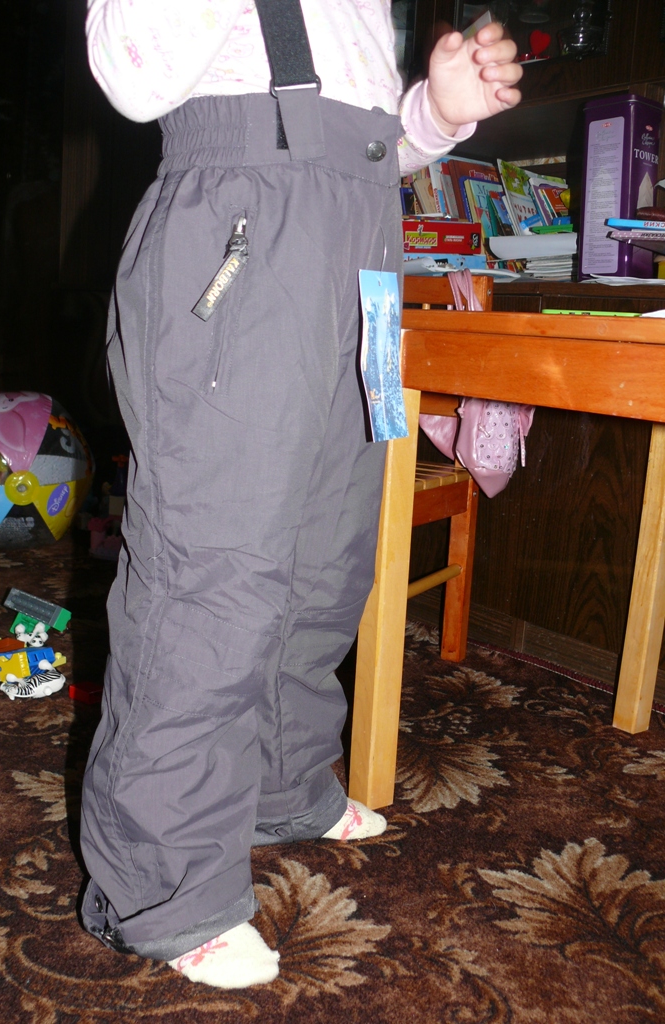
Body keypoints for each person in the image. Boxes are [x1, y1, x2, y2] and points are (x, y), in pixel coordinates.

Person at [80, 0, 522, 990]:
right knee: (214, 567)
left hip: (364, 249)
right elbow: (131, 72)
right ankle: (162, 884)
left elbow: (363, 142)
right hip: (242, 229)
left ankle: (283, 782)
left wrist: (434, 113)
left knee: (331, 551)